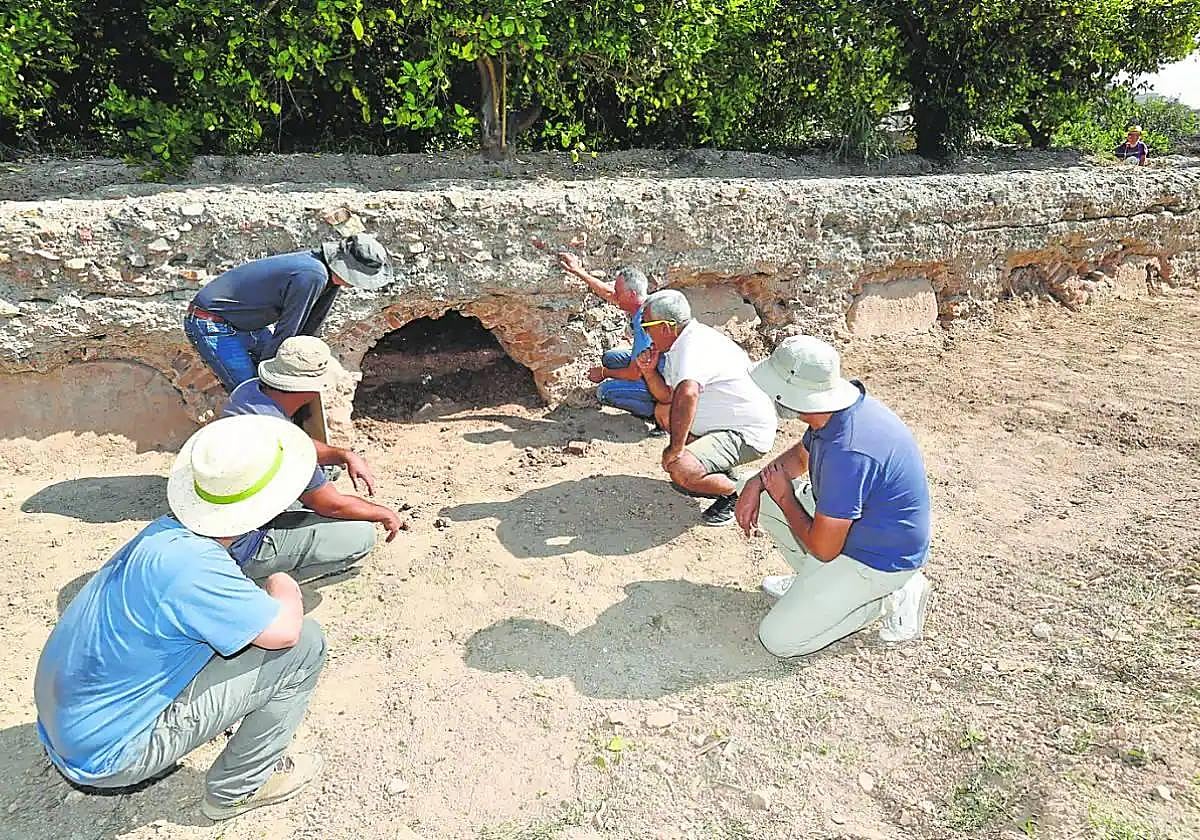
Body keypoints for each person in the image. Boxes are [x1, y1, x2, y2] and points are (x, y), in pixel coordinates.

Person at [35, 415, 330, 820]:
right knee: (305, 646)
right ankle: (237, 790)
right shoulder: (198, 570)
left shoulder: (164, 534)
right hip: (107, 755)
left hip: (67, 726)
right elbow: (284, 632)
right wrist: (284, 584)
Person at [735, 335, 932, 657]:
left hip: (881, 559)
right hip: (860, 529)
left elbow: (825, 549)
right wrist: (756, 483)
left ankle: (889, 596)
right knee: (768, 491)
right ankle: (814, 588)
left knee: (778, 639)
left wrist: (786, 498)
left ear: (793, 395)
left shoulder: (848, 453)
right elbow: (799, 458)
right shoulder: (833, 414)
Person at [220, 335, 405, 581]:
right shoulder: (284, 446)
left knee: (328, 471)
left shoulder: (249, 392)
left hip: (228, 503)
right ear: (306, 391)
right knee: (360, 534)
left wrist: (343, 455)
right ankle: (263, 579)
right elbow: (331, 505)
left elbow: (296, 442)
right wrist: (382, 512)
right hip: (240, 546)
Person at [637, 289, 777, 526]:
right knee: (664, 411)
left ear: (665, 327)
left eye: (646, 326)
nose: (646, 334)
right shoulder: (682, 343)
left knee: (681, 469)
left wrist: (675, 448)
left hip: (747, 434)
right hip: (728, 424)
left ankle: (742, 491)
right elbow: (669, 396)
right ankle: (719, 469)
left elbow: (688, 393)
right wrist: (649, 372)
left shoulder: (692, 347)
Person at [185, 234, 394, 392]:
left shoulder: (329, 277)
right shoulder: (312, 275)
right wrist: (274, 376)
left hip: (245, 323)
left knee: (272, 378)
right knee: (252, 389)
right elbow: (288, 330)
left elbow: (312, 323)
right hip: (212, 321)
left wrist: (306, 364)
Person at [556, 252, 660, 425]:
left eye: (618, 292)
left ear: (631, 295)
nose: (614, 295)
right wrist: (577, 271)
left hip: (662, 377)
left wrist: (603, 373)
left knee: (604, 391)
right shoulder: (644, 303)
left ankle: (653, 409)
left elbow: (635, 373)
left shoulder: (645, 324)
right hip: (651, 362)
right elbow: (608, 293)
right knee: (610, 358)